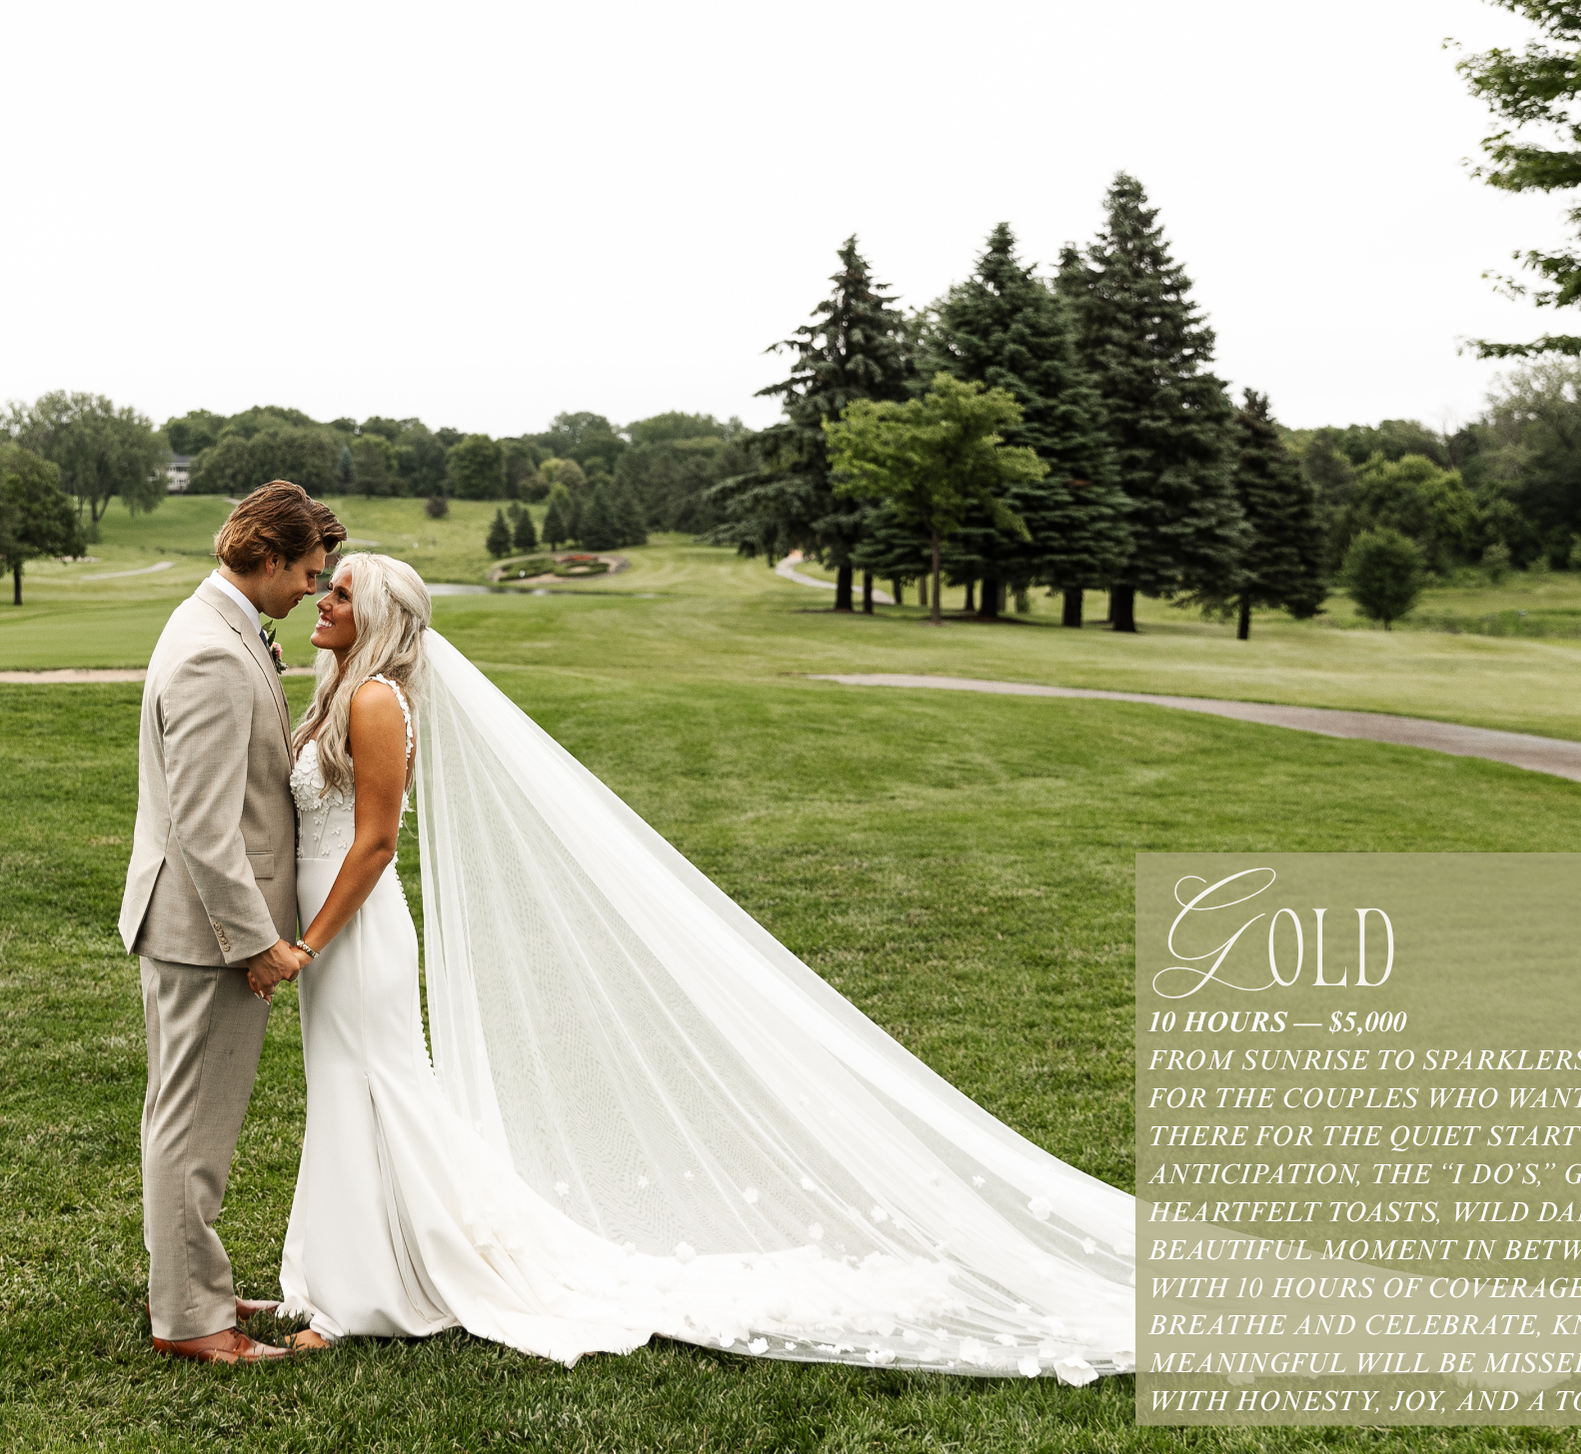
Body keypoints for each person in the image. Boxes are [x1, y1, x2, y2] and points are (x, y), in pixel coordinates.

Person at [276, 552, 1136, 1374]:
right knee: (347, 1086)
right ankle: (343, 1273)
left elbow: (379, 843)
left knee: (375, 1089)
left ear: (378, 617)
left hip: (354, 932)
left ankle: (368, 1295)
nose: (325, 600)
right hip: (331, 926)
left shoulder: (378, 702)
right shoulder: (341, 695)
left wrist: (311, 940)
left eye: (342, 594)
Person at [120, 481, 346, 1364]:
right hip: (203, 934)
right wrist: (257, 944)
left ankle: (196, 1288)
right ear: (266, 556)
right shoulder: (211, 654)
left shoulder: (219, 625)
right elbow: (205, 829)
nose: (311, 591)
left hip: (194, 927)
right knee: (190, 1131)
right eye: (307, 572)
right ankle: (191, 1324)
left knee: (187, 1124)